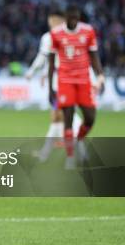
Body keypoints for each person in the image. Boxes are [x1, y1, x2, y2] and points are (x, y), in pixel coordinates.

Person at [48, 6, 104, 170]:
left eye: (76, 18)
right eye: (71, 18)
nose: (73, 20)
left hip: (83, 80)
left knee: (90, 117)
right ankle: (71, 157)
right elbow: (51, 62)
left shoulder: (88, 32)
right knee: (68, 118)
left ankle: (79, 138)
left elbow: (94, 57)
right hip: (65, 80)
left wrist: (100, 75)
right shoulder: (56, 34)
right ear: (66, 18)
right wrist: (50, 88)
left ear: (78, 18)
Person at [25, 10, 82, 161]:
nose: (50, 24)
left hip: (59, 83)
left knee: (64, 116)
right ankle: (45, 154)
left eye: (51, 21)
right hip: (68, 80)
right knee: (57, 118)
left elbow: (42, 57)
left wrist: (31, 72)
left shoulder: (49, 37)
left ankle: (79, 145)